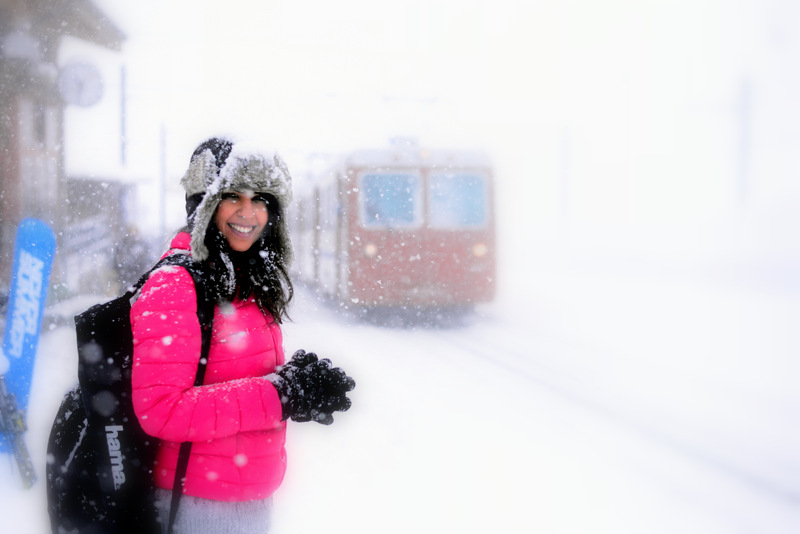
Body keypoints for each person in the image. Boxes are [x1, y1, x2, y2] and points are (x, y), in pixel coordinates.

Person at [130, 137, 355, 534]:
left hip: (243, 504)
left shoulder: (245, 282)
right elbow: (161, 410)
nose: (248, 212)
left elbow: (233, 382)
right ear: (205, 204)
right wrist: (278, 394)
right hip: (194, 507)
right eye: (233, 196)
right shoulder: (175, 285)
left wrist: (295, 386)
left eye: (261, 198)